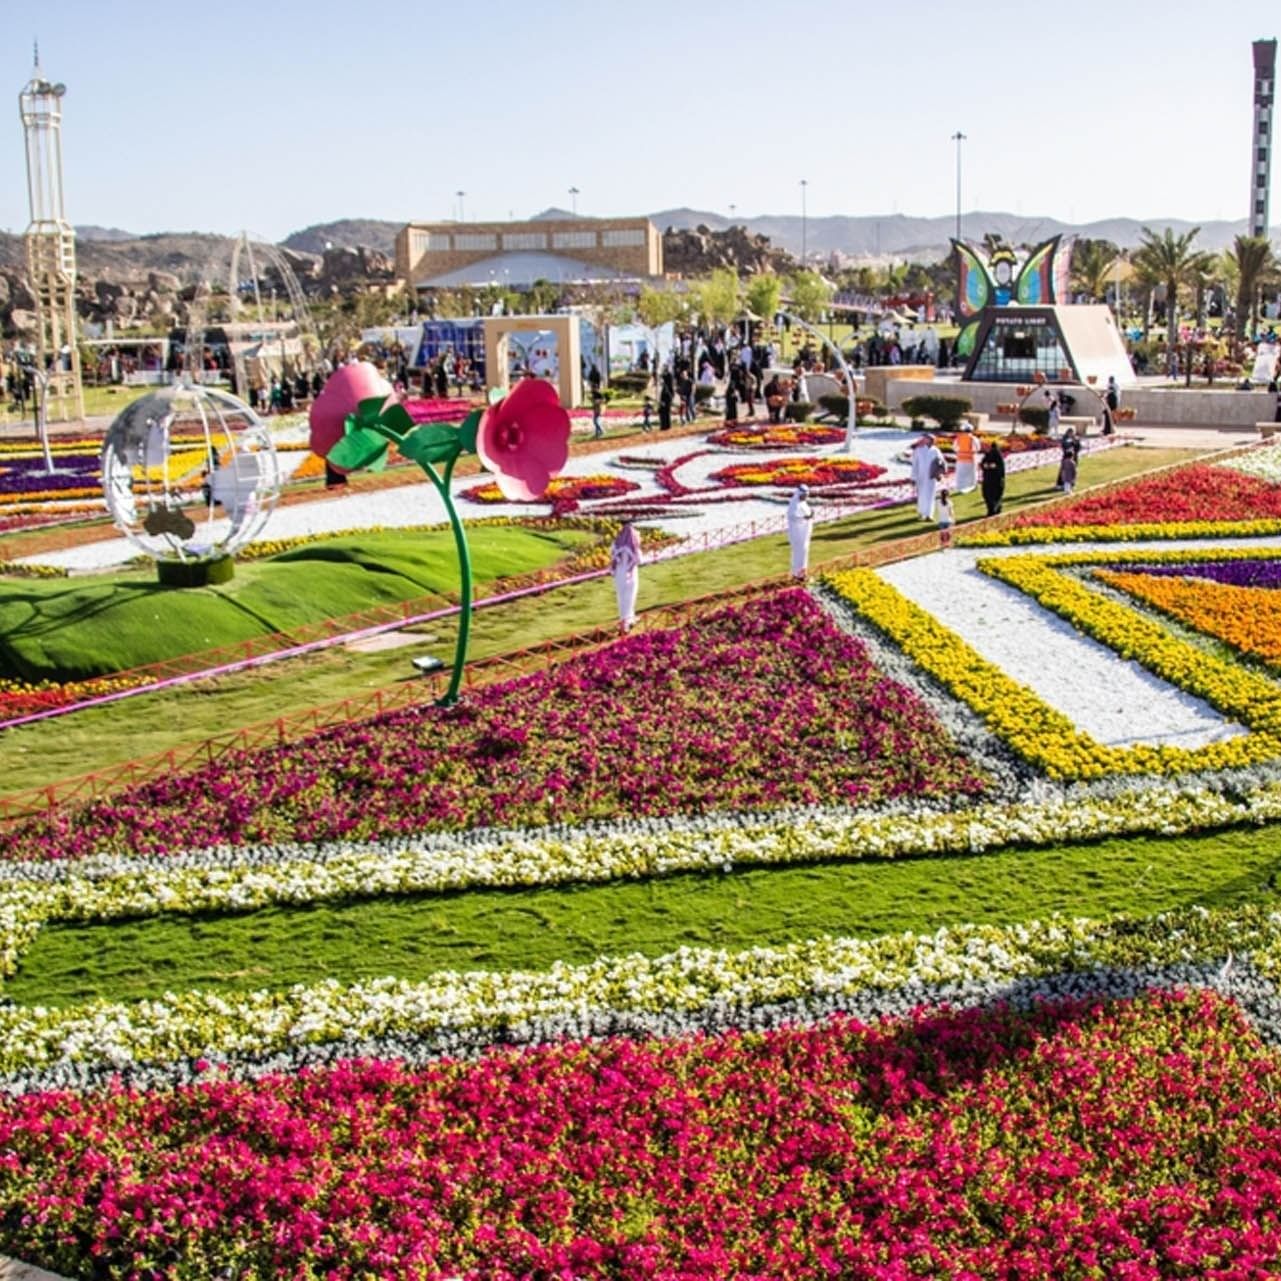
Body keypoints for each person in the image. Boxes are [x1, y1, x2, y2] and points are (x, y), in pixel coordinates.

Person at [610, 521, 641, 632]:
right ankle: (625, 624)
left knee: (623, 597)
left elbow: (612, 555)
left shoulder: (617, 542)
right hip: (629, 573)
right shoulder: (631, 545)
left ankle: (630, 618)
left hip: (620, 573)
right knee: (628, 597)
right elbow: (639, 558)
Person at [911, 433, 945, 520]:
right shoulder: (918, 450)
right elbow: (915, 465)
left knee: (931, 494)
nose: (931, 441)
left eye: (932, 439)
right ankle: (921, 513)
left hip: (931, 476)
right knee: (921, 495)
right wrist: (913, 477)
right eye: (929, 439)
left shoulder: (936, 451)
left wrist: (939, 473)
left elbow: (941, 463)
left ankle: (929, 514)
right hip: (920, 476)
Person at [787, 484, 814, 578]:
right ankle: (797, 574)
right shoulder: (794, 504)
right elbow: (792, 517)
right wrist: (805, 517)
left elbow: (807, 514)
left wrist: (810, 515)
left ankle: (802, 572)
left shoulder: (803, 503)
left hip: (804, 533)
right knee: (798, 552)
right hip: (797, 534)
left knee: (804, 551)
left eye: (806, 495)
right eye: (804, 495)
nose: (805, 497)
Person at [980, 439, 1006, 516]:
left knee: (995, 495)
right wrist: (984, 466)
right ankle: (991, 510)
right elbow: (983, 463)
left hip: (996, 479)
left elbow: (999, 467)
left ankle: (995, 509)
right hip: (987, 479)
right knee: (987, 494)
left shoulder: (997, 455)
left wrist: (992, 466)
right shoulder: (987, 455)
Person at [952, 425, 979, 494]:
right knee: (971, 475)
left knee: (960, 474)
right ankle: (971, 487)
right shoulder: (973, 439)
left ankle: (960, 487)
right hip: (970, 459)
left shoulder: (958, 438)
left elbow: (954, 448)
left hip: (960, 459)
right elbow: (977, 448)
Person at [1057, 427, 1081, 492]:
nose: (1071, 434)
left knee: (1073, 470)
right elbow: (1064, 446)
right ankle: (1060, 484)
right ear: (1067, 433)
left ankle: (1072, 484)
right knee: (1063, 470)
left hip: (1074, 456)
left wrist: (1075, 442)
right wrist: (1070, 445)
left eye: (1072, 433)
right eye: (1070, 433)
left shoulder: (1075, 438)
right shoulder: (1065, 439)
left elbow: (1078, 447)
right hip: (1066, 456)